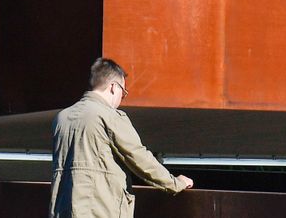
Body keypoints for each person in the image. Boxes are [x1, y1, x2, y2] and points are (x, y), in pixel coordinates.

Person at [50, 57, 192, 218]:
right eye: (123, 93)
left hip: (63, 209)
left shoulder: (62, 118)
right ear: (113, 87)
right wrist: (175, 183)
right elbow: (137, 156)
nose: (121, 99)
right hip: (99, 210)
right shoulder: (109, 115)